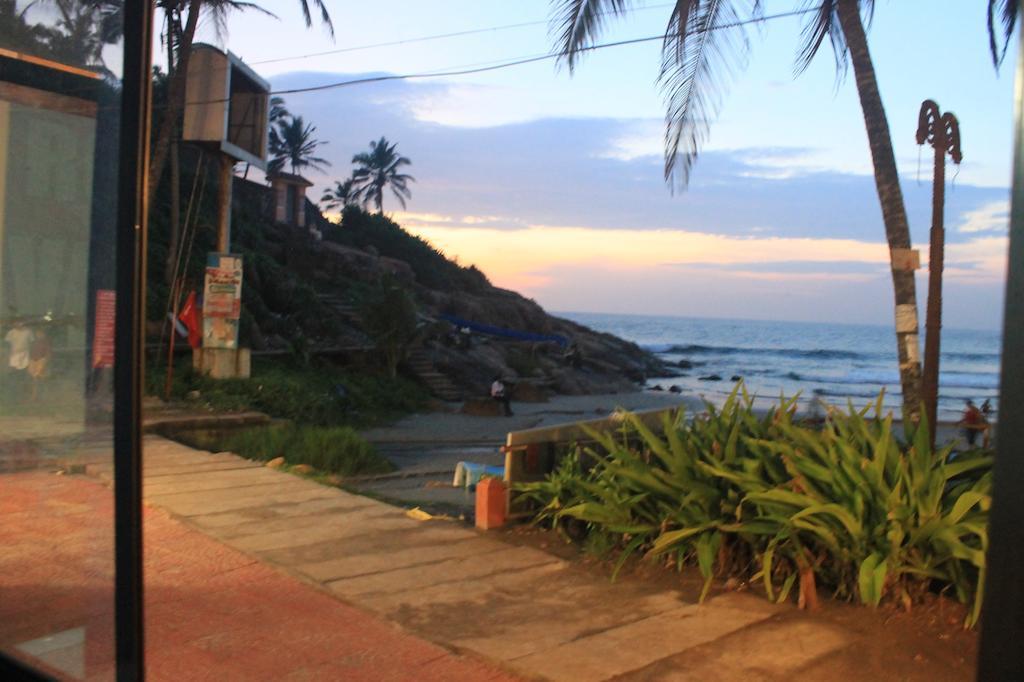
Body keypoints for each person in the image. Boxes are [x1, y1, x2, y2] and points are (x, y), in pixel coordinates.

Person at [27, 327, 51, 401]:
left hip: (41, 361)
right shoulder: (33, 342)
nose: (39, 335)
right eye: (37, 333)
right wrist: (30, 361)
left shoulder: (46, 342)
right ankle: (34, 396)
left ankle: (44, 396)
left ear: (43, 334)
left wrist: (44, 363)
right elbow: (30, 352)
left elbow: (48, 354)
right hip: (33, 361)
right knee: (34, 380)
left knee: (42, 380)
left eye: (40, 333)